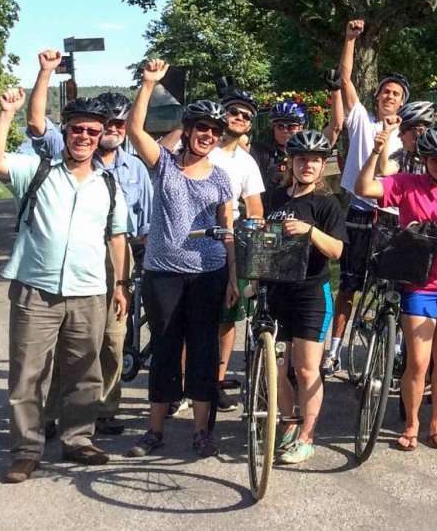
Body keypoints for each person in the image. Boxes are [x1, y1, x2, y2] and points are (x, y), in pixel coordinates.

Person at [0, 87, 129, 483]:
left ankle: (78, 439)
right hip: (36, 288)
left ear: (101, 137)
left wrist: (122, 284)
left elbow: (117, 237)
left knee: (85, 370)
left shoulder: (109, 185)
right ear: (65, 132)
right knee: (27, 373)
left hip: (90, 291)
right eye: (77, 129)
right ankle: (26, 451)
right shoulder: (37, 168)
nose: (84, 137)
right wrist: (7, 113)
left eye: (92, 132)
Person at [21, 74, 154, 440]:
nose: (111, 130)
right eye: (105, 123)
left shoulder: (135, 168)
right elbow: (35, 123)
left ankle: (104, 410)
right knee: (68, 346)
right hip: (72, 255)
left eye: (117, 123)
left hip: (118, 255)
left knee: (112, 340)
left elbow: (141, 221)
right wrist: (45, 72)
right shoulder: (73, 150)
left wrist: (129, 275)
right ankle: (50, 417)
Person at [123, 60, 238, 459]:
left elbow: (228, 230)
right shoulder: (165, 165)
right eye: (202, 128)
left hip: (208, 272)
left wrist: (234, 278)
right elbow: (135, 132)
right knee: (167, 348)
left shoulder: (222, 177)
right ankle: (154, 431)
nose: (208, 134)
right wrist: (149, 84)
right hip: (164, 273)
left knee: (204, 350)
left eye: (215, 130)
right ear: (187, 131)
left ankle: (202, 431)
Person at [354, 121, 437, 450]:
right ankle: (412, 424)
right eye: (434, 159)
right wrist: (376, 151)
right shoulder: (407, 184)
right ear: (424, 161)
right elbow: (363, 188)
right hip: (418, 283)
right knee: (418, 361)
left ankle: (436, 425)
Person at [327, 19, 409, 374]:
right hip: (361, 212)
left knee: (399, 287)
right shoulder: (361, 120)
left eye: (396, 94)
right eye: (385, 92)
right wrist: (349, 40)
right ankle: (333, 351)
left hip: (392, 216)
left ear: (403, 103)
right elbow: (345, 79)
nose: (389, 96)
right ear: (377, 97)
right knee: (349, 285)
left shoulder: (409, 134)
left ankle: (395, 349)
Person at [262, 130, 348, 465]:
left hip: (311, 292)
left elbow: (338, 251)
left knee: (308, 368)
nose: (308, 165)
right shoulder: (272, 199)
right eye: (302, 159)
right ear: (291, 163)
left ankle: (307, 436)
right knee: (277, 368)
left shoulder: (326, 204)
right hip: (276, 291)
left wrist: (309, 231)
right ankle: (287, 423)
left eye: (315, 160)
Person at [209, 88, 268, 414]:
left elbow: (256, 207)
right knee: (192, 317)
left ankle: (216, 382)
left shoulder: (245, 162)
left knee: (228, 318)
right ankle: (187, 382)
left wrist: (253, 243)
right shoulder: (201, 147)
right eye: (234, 111)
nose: (240, 118)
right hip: (193, 241)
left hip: (230, 242)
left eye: (246, 116)